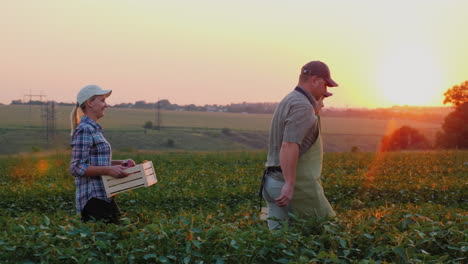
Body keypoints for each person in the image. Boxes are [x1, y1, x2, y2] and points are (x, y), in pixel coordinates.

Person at [261, 61, 338, 230]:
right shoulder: (302, 106)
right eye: (325, 85)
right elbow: (289, 145)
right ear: (315, 80)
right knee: (324, 231)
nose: (325, 91)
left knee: (279, 243)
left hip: (270, 181)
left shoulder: (289, 99)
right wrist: (289, 184)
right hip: (285, 184)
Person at [69, 84, 134, 223]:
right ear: (90, 103)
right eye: (102, 100)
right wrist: (109, 170)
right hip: (93, 199)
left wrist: (120, 164)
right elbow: (76, 167)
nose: (106, 105)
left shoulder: (94, 129)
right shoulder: (85, 129)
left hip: (104, 196)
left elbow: (95, 162)